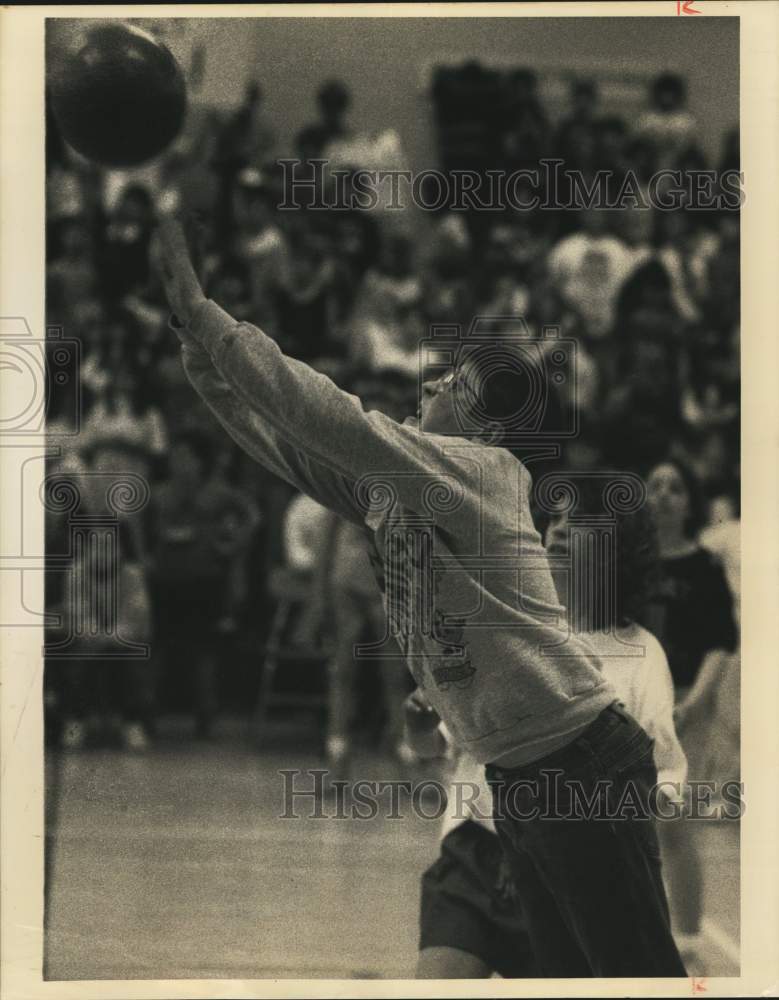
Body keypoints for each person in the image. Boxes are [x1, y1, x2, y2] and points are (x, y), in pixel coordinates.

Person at [153, 216, 686, 977]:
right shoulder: (392, 491)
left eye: (455, 386)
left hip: (581, 767)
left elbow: (332, 419)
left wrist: (213, 320)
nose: (431, 383)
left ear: (486, 428)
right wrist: (195, 344)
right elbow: (281, 443)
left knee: (634, 980)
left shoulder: (483, 475)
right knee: (571, 982)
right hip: (518, 774)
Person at [408, 479, 687, 978]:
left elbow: (665, 778)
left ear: (614, 544)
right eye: (554, 518)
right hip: (475, 857)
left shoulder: (642, 654)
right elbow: (435, 748)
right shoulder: (502, 628)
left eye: (577, 522)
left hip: (572, 870)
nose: (558, 529)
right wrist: (420, 725)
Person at [645, 456, 738, 967]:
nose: (663, 495)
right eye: (654, 486)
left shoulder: (704, 568)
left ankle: (686, 941)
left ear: (689, 502)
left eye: (675, 488)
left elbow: (721, 642)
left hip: (686, 706)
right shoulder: (625, 567)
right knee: (623, 826)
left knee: (673, 826)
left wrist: (694, 703)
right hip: (631, 707)